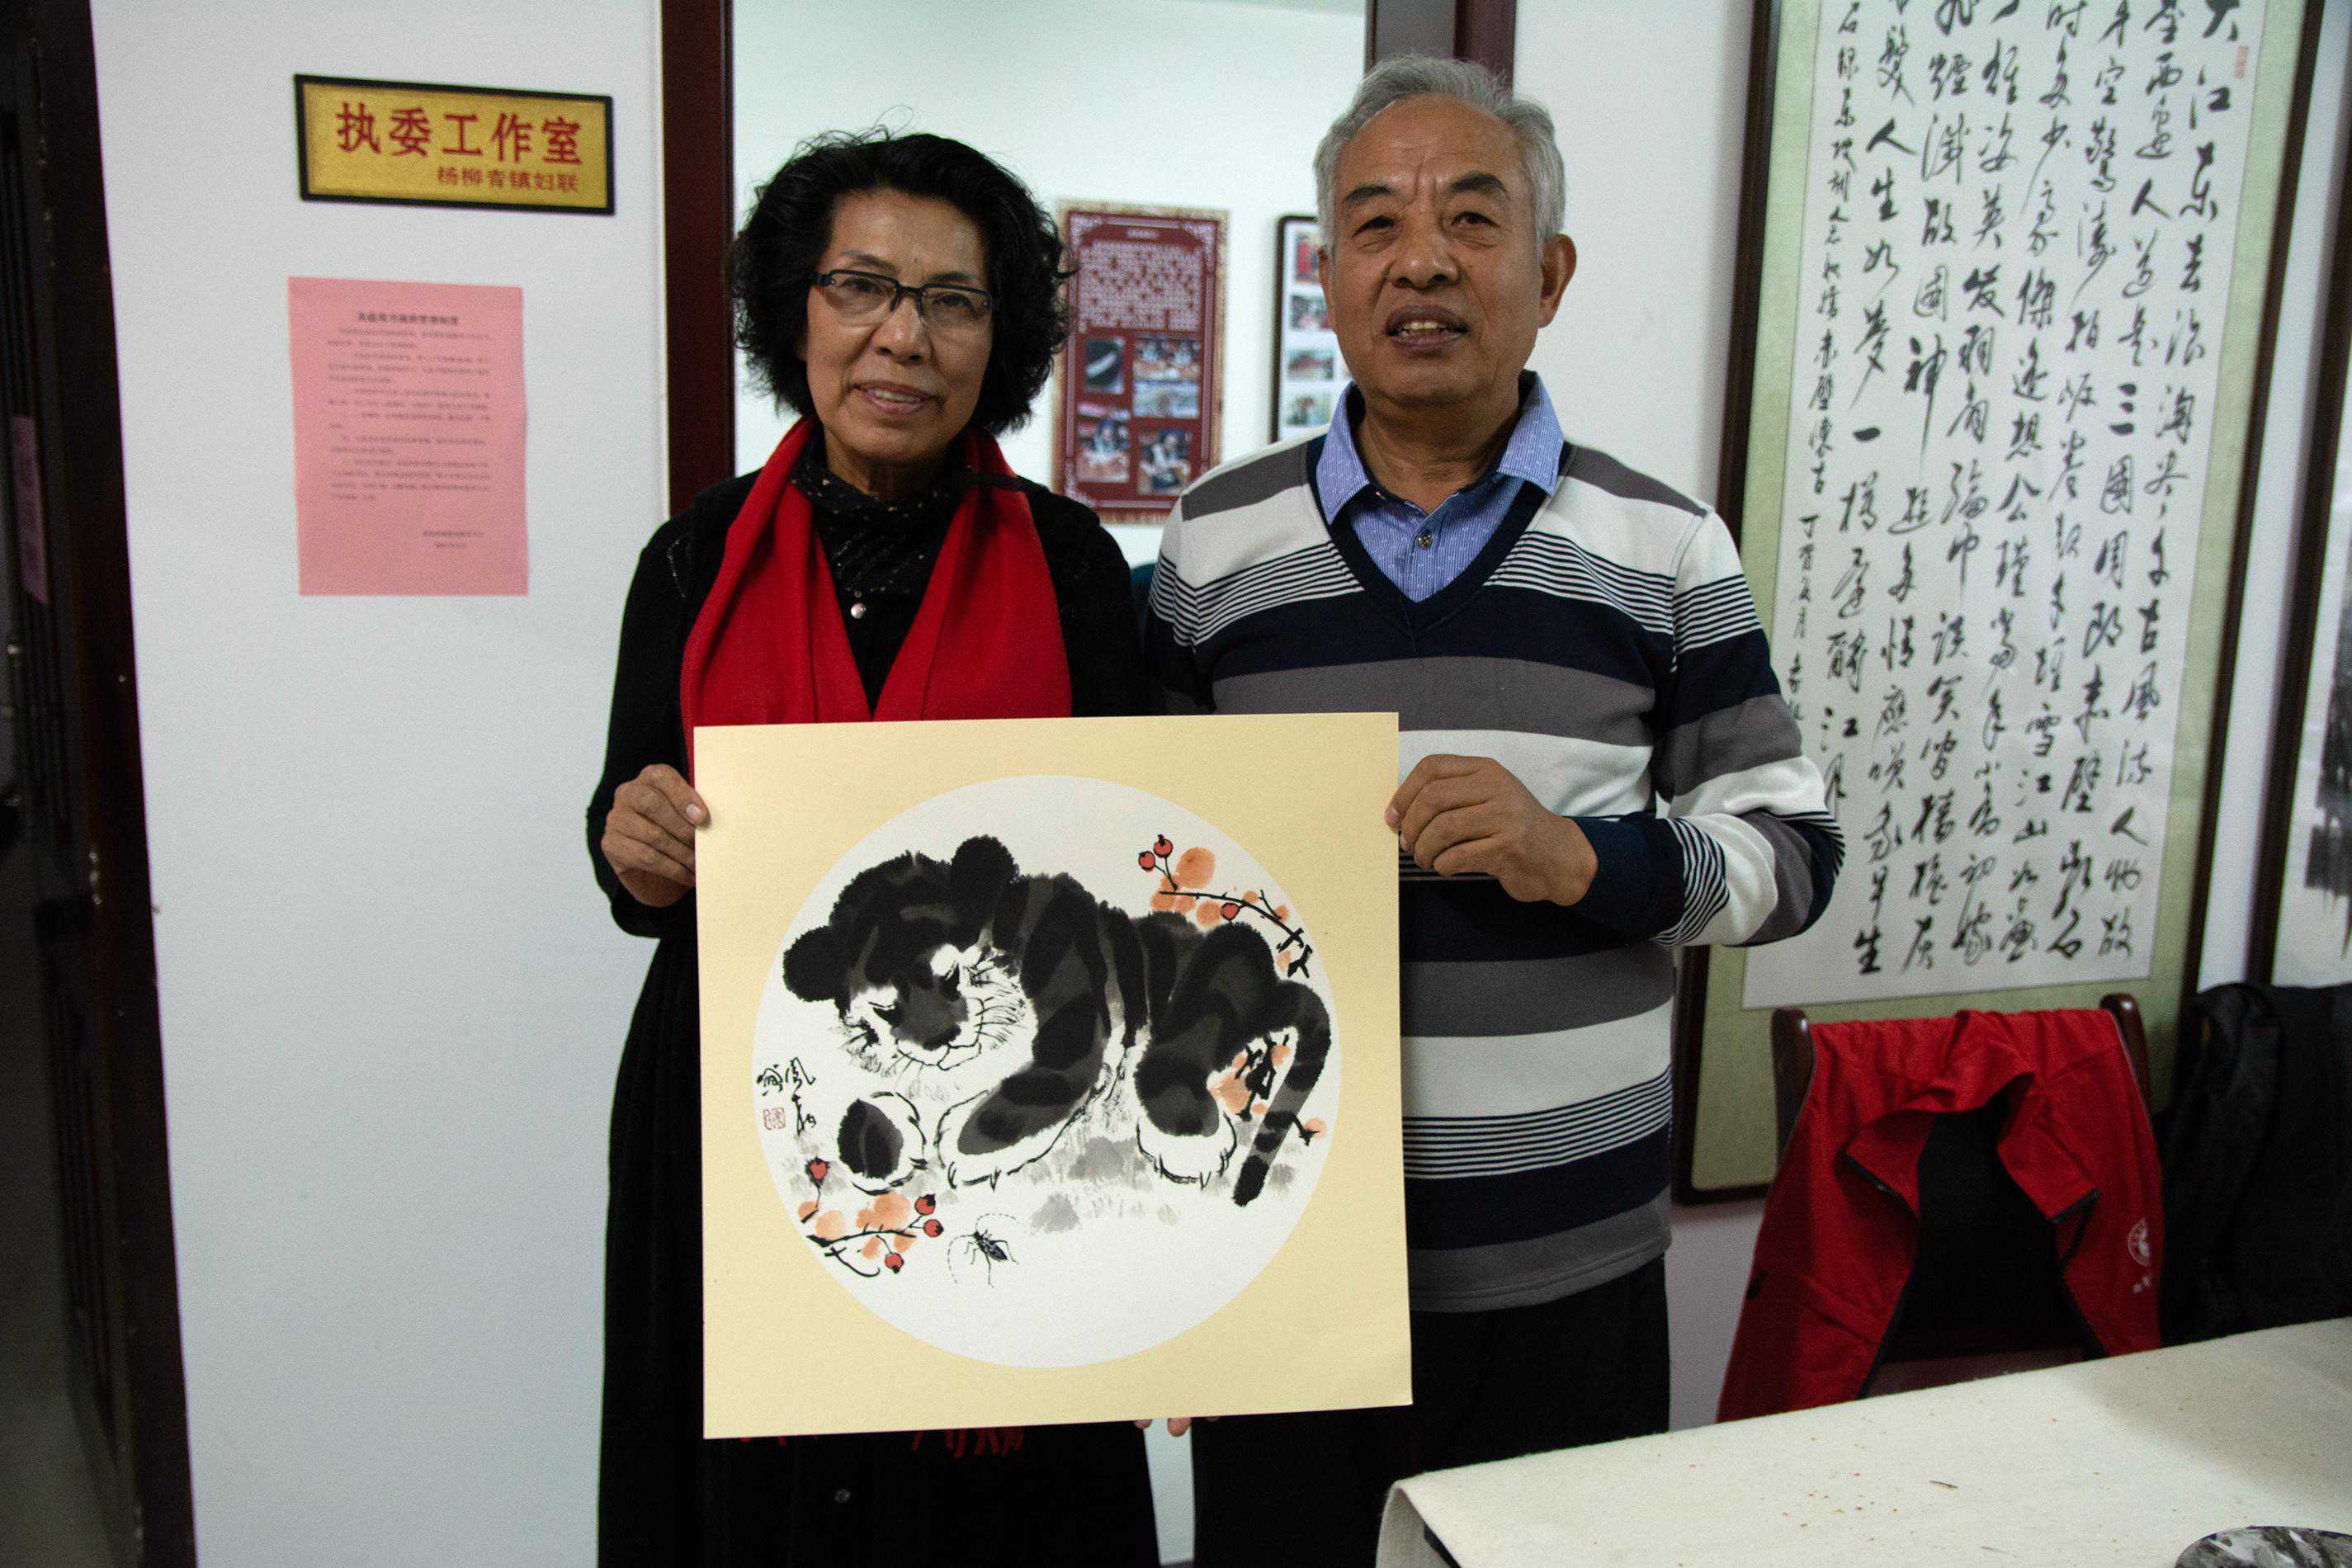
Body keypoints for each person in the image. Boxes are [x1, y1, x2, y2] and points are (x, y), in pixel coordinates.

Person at [1141, 58, 1844, 1565]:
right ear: (1327, 275)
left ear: (1551, 274)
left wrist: (1579, 856)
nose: (1423, 261)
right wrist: (1170, 1243)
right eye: (1376, 223)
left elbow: (1794, 858)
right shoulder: (1211, 541)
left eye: (1473, 217)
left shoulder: (1659, 540)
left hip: (1566, 1267)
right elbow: (1143, 892)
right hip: (1282, 1258)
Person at [589, 128, 1156, 1566]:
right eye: (860, 287)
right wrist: (634, 844)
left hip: (1006, 1098)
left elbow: (1136, 862)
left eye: (951, 301)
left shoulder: (1072, 566)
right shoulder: (692, 559)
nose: (902, 336)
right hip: (737, 1095)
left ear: (998, 340)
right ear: (798, 315)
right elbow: (627, 852)